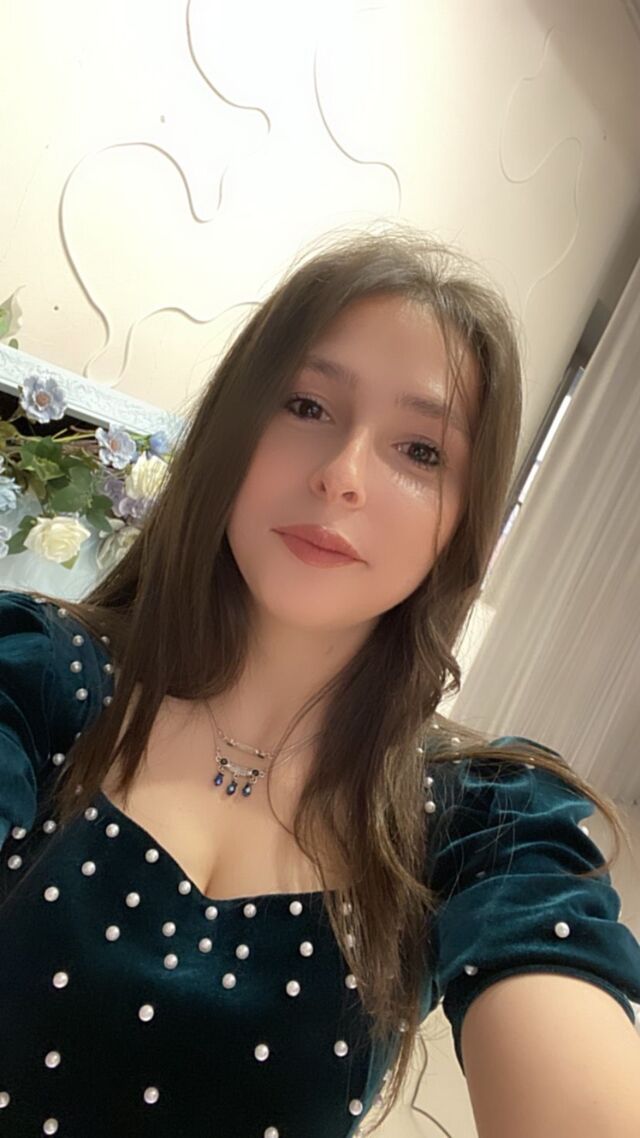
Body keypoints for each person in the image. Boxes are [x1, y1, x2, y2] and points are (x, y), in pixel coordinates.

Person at [1, 224, 639, 1137]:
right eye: (306, 405)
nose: (342, 476)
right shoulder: (35, 675)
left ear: (465, 524)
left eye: (421, 452)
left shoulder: (482, 821)